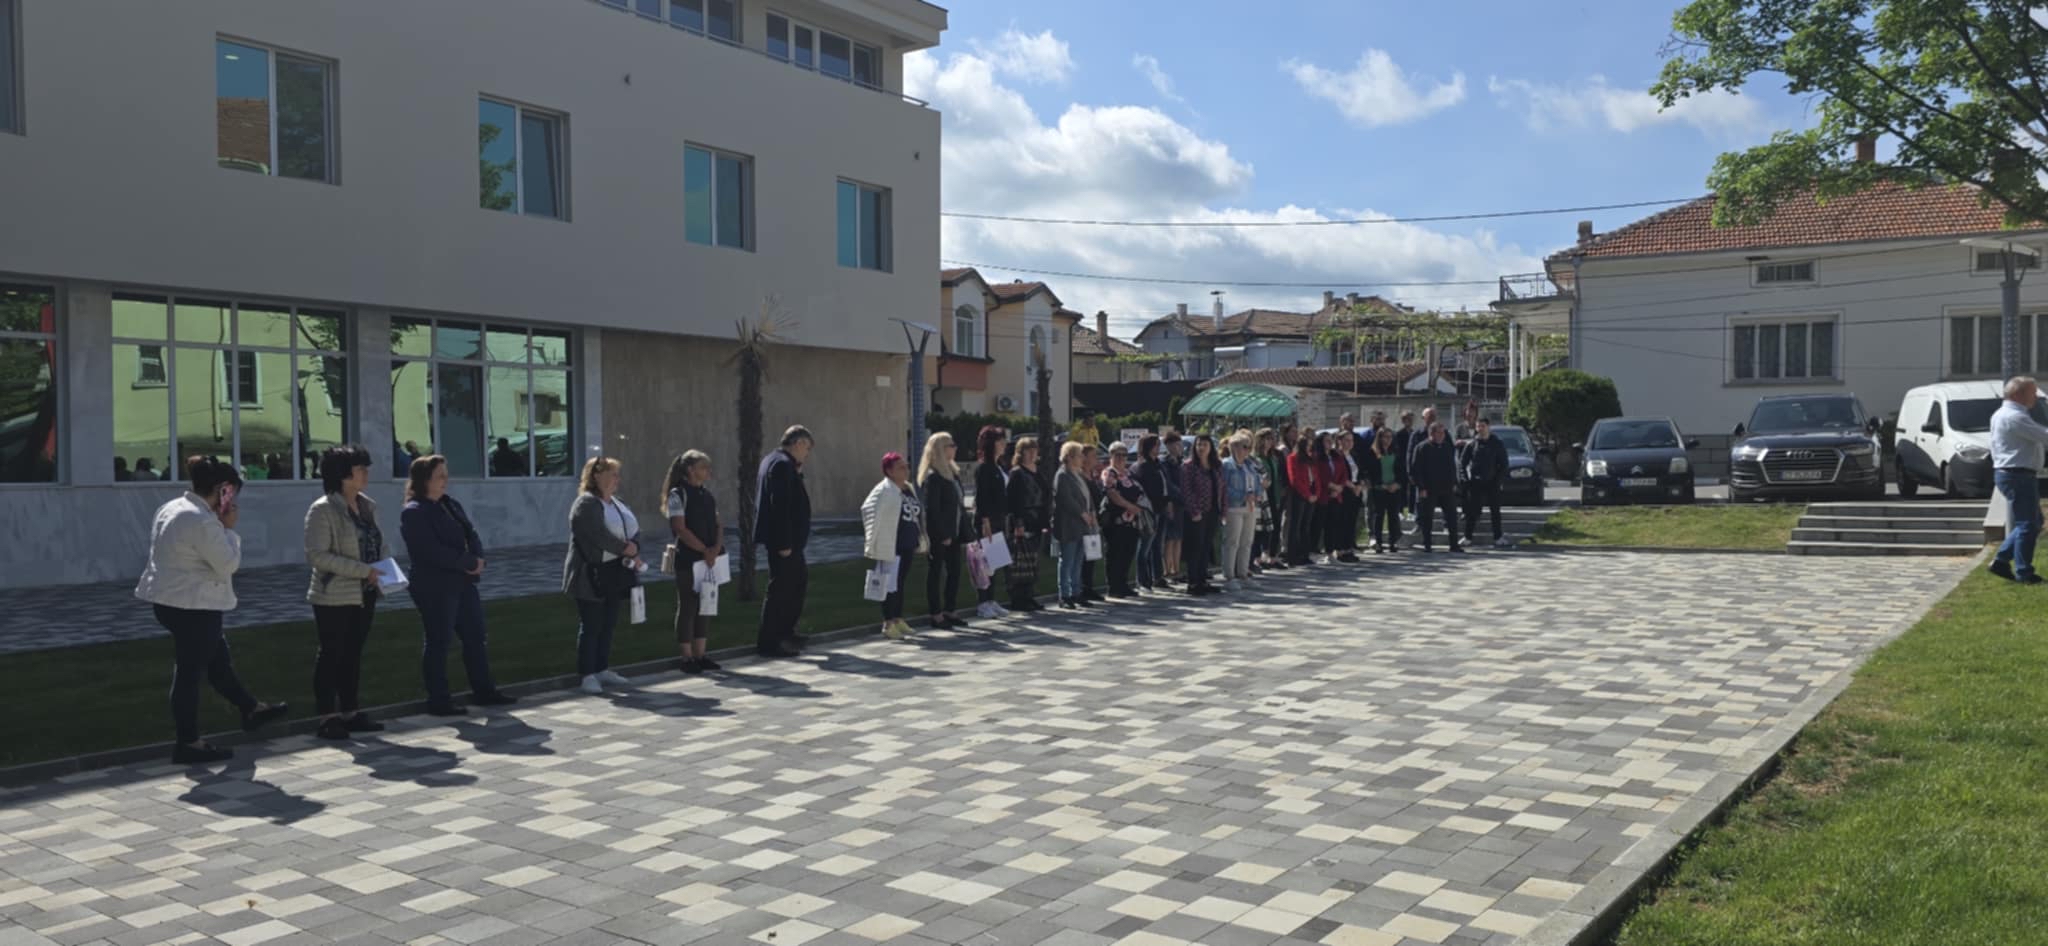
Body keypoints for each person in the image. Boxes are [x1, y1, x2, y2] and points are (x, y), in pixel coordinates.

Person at [135, 456, 289, 764]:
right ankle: (188, 743)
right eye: (232, 493)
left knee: (218, 662)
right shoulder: (202, 521)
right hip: (194, 604)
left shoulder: (171, 508)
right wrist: (228, 528)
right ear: (223, 490)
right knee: (189, 674)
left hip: (170, 601)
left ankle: (251, 708)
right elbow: (228, 564)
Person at [400, 455, 516, 714]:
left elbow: (470, 533)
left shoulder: (450, 504)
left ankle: (484, 691)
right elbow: (430, 551)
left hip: (463, 582)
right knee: (439, 641)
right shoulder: (414, 512)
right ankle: (439, 700)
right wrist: (467, 562)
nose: (445, 480)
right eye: (439, 476)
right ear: (424, 480)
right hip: (435, 586)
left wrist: (477, 558)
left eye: (446, 474)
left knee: (476, 636)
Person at [303, 444, 387, 741]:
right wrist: (364, 571)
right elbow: (317, 556)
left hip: (364, 593)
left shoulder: (367, 506)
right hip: (333, 595)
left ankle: (351, 712)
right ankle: (327, 717)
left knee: (353, 653)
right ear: (342, 475)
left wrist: (385, 571)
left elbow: (378, 543)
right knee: (332, 654)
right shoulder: (322, 510)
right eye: (360, 468)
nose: (366, 473)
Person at [564, 456, 641, 695]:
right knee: (592, 624)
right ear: (596, 476)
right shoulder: (586, 504)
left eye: (618, 474)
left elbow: (632, 530)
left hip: (615, 572)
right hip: (590, 574)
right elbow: (597, 535)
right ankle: (587, 674)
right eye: (612, 474)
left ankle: (601, 668)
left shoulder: (617, 503)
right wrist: (625, 548)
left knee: (608, 623)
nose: (617, 479)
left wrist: (635, 547)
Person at [755, 426, 815, 657]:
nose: (807, 454)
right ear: (798, 443)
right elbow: (779, 506)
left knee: (797, 583)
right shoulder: (781, 464)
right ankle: (770, 641)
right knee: (780, 590)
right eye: (807, 449)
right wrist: (784, 543)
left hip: (790, 542)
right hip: (784, 542)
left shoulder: (775, 461)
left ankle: (786, 632)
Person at [661, 450, 722, 673]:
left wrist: (715, 548)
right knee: (688, 605)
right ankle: (686, 657)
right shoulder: (677, 495)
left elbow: (718, 524)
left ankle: (701, 654)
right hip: (688, 559)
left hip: (709, 559)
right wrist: (703, 549)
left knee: (706, 604)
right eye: (703, 467)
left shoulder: (707, 495)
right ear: (690, 470)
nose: (708, 472)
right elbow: (680, 527)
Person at [1990, 376, 2048, 583]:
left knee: (2032, 522)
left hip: (2014, 474)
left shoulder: (2006, 414)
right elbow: (2044, 435)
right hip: (2017, 475)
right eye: (2032, 393)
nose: (2035, 397)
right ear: (2018, 394)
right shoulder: (2014, 417)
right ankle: (2024, 572)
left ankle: (2001, 560)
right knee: (2027, 524)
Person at [862, 451, 925, 639]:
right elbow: (868, 510)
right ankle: (888, 622)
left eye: (906, 467)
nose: (906, 470)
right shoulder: (884, 490)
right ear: (889, 471)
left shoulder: (907, 489)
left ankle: (898, 618)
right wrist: (873, 541)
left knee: (900, 584)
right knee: (889, 585)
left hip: (907, 544)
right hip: (892, 546)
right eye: (901, 468)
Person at [918, 433, 969, 630]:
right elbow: (933, 510)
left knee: (955, 571)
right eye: (951, 445)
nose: (955, 448)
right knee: (936, 572)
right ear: (940, 449)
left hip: (955, 532)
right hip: (940, 534)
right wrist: (942, 534)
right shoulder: (934, 477)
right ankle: (936, 613)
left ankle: (950, 609)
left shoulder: (952, 473)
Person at [971, 426, 1012, 619]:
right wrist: (985, 521)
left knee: (994, 561)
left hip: (999, 519)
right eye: (999, 441)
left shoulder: (998, 467)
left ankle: (991, 599)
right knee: (984, 563)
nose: (1003, 444)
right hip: (987, 521)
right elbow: (982, 497)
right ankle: (982, 602)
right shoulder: (984, 468)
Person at [1099, 443, 1148, 598]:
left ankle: (1123, 584)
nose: (1121, 458)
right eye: (1117, 454)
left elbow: (1139, 491)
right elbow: (1112, 493)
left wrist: (1139, 507)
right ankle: (1114, 586)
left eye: (1124, 455)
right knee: (1115, 553)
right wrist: (1129, 506)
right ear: (1111, 455)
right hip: (1116, 520)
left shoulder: (1128, 473)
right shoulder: (1109, 473)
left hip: (1132, 521)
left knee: (1128, 552)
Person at [1052, 442, 1097, 609]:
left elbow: (1087, 496)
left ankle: (1076, 592)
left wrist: (1091, 512)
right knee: (1067, 560)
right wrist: (1082, 513)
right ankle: (1064, 595)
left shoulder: (1078, 474)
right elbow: (1066, 499)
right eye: (1079, 455)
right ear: (1069, 457)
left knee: (1078, 561)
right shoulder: (1062, 475)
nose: (1082, 458)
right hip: (1069, 525)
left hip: (1082, 525)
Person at [1004, 436, 1047, 612]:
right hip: (1023, 521)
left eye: (1034, 450)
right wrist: (1018, 523)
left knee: (1032, 560)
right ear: (1020, 453)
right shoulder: (1016, 473)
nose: (1032, 454)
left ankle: (1029, 596)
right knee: (1020, 561)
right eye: (1028, 450)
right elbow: (1013, 501)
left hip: (1037, 520)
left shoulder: (1038, 472)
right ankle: (1018, 598)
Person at [1180, 434, 1223, 595]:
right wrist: (1194, 511)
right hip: (1196, 512)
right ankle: (1193, 582)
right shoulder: (1188, 466)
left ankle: (1203, 579)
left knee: (1206, 546)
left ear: (1211, 447)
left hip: (1212, 510)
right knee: (1195, 547)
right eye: (1199, 445)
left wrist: (1223, 510)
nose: (1201, 448)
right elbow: (1186, 491)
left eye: (1205, 444)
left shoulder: (1216, 466)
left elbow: (1222, 488)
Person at [1411, 423, 1462, 553]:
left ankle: (1454, 544)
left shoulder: (1447, 447)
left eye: (1443, 433)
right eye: (1439, 433)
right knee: (1427, 517)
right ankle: (1427, 544)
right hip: (1428, 488)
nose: (1441, 435)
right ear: (1431, 433)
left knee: (1451, 516)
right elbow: (1416, 469)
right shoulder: (1422, 447)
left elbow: (1452, 466)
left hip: (1446, 488)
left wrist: (1454, 483)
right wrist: (1421, 487)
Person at [1461, 418, 1511, 549]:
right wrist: (1466, 479)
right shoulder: (1472, 444)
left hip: (1492, 482)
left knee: (1495, 511)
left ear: (1488, 427)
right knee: (1472, 512)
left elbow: (1504, 464)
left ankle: (1498, 537)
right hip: (1475, 483)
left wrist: (1498, 480)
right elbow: (1462, 464)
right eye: (1478, 427)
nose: (1480, 429)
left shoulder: (1497, 444)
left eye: (1483, 426)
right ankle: (1467, 537)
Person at [1220, 434, 1260, 592]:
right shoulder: (1226, 465)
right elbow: (1224, 487)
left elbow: (1257, 481)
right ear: (1234, 447)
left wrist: (1257, 493)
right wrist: (1242, 496)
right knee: (1232, 542)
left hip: (1250, 507)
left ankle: (1243, 574)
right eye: (1245, 446)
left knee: (1247, 541)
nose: (1248, 450)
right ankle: (1229, 576)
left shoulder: (1250, 464)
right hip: (1234, 507)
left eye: (1249, 447)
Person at [1131, 434, 1169, 591]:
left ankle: (1157, 576)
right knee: (1145, 547)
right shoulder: (1142, 466)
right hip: (1148, 510)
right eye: (1155, 445)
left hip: (1161, 508)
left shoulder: (1157, 464)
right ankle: (1143, 580)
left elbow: (1165, 484)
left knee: (1157, 545)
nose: (1158, 448)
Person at [1363, 427, 1406, 553]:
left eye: (1390, 437)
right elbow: (1370, 471)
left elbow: (1402, 471)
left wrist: (1397, 484)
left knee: (1393, 516)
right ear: (1380, 438)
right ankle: (1378, 542)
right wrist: (1381, 485)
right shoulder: (1373, 452)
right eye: (1385, 437)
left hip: (1394, 488)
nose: (1388, 440)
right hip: (1379, 489)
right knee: (1379, 516)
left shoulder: (1396, 451)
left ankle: (1393, 542)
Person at [1284, 434, 1321, 567]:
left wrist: (1316, 493)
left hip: (1311, 493)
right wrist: (1307, 494)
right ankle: (1293, 556)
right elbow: (1294, 479)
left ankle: (1305, 555)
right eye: (1307, 445)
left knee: (1306, 526)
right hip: (1299, 495)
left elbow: (1316, 477)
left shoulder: (1311, 459)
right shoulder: (1293, 458)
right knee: (1296, 525)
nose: (1309, 448)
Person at [1255, 430, 1285, 571]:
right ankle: (1259, 557)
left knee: (1275, 526)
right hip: (1263, 496)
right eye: (1267, 438)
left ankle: (1273, 556)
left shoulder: (1273, 458)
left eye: (1272, 439)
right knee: (1262, 528)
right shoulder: (1256, 458)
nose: (1270, 442)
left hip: (1274, 495)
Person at [1079, 445, 1107, 603]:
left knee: (1092, 556)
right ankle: (1082, 588)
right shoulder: (1080, 477)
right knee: (1083, 557)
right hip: (1086, 521)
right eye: (1093, 455)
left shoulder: (1092, 475)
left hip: (1095, 520)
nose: (1096, 458)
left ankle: (1089, 587)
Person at [1159, 431, 1186, 585]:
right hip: (1171, 502)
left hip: (1181, 504)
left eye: (1179, 443)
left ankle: (1177, 569)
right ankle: (1167, 570)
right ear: (1168, 446)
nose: (1178, 447)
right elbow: (1167, 483)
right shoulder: (1164, 462)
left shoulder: (1181, 461)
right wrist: (1181, 494)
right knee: (1169, 539)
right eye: (1174, 444)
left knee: (1178, 538)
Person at [1334, 430, 1364, 563]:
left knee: (1352, 521)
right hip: (1344, 490)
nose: (1350, 443)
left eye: (1351, 440)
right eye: (1346, 440)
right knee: (1342, 521)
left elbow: (1360, 472)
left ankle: (1349, 548)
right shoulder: (1337, 456)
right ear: (1339, 441)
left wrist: (1360, 485)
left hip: (1355, 491)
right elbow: (1339, 475)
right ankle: (1340, 550)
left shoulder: (1354, 455)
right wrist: (1352, 486)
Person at [1390, 411, 1419, 523]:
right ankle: (1401, 511)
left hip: (1412, 465)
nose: (1409, 421)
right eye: (1407, 419)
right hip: (1401, 465)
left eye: (1411, 419)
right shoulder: (1398, 434)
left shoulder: (1415, 433)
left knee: (1412, 489)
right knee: (1401, 489)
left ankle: (1411, 511)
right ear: (1403, 420)